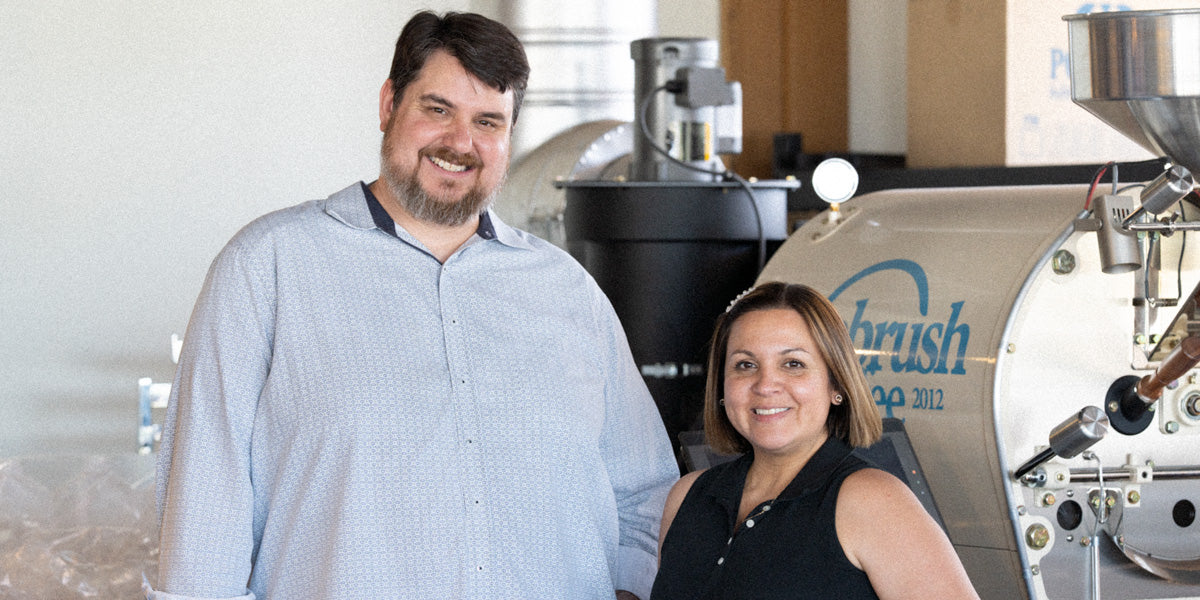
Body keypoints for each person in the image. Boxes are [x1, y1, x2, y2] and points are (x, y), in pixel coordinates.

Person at [147, 10, 678, 600]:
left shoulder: (568, 291)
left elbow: (643, 497)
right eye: (438, 109)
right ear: (388, 105)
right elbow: (204, 514)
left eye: (488, 121)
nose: (461, 142)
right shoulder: (267, 267)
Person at [650, 282, 979, 599]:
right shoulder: (686, 497)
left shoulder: (871, 500)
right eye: (745, 365)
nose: (765, 385)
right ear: (722, 386)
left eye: (793, 364)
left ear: (836, 385)